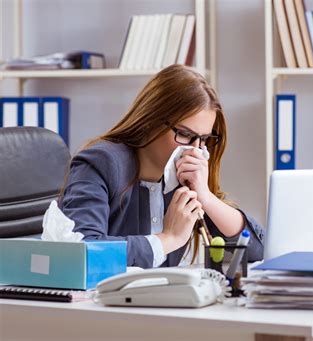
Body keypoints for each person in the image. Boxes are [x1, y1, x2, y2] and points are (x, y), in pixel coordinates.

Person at [59, 64, 264, 268]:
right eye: (184, 134)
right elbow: (82, 251)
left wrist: (206, 197)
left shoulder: (184, 178)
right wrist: (168, 239)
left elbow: (257, 248)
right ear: (151, 121)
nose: (195, 149)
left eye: (203, 139)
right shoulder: (100, 163)